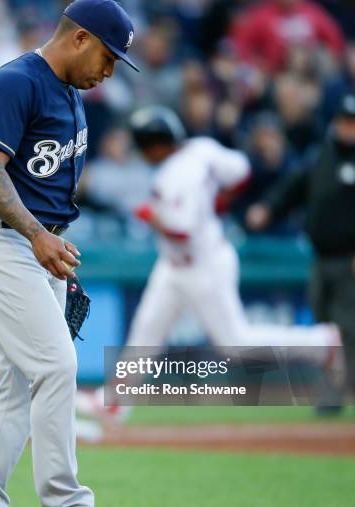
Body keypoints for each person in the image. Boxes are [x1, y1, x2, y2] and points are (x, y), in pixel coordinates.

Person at [0, 0, 139, 507]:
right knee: (58, 365)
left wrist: (48, 239)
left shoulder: (67, 90)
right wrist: (38, 234)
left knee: (17, 388)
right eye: (108, 57)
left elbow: (40, 184)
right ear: (79, 36)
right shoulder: (16, 82)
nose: (109, 72)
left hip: (32, 246)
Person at [76, 106, 340, 425]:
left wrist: (151, 215)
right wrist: (219, 199)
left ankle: (323, 342)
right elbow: (241, 172)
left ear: (156, 145)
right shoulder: (202, 148)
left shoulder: (176, 173)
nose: (144, 154)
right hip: (174, 264)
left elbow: (182, 227)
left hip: (202, 264)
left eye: (144, 146)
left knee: (236, 344)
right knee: (145, 331)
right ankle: (116, 402)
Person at [247, 94, 355, 412]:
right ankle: (334, 388)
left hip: (349, 261)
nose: (347, 127)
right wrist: (267, 208)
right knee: (325, 327)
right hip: (320, 258)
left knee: (346, 326)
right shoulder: (321, 157)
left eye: (352, 122)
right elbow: (293, 189)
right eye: (344, 121)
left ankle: (335, 394)